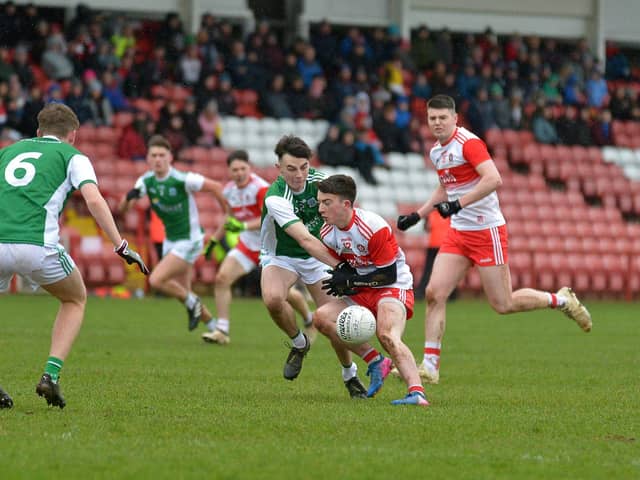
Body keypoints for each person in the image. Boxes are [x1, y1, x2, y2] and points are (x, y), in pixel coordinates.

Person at [396, 94, 592, 385]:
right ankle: (430, 366)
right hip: (459, 233)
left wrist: (458, 204)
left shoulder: (469, 143)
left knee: (503, 304)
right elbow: (445, 186)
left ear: (454, 118)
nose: (436, 123)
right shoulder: (437, 151)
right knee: (436, 292)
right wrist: (419, 214)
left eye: (442, 118)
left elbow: (493, 178)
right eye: (432, 118)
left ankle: (560, 299)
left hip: (486, 231)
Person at [0, 103, 148, 409]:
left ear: (38, 131)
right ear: (73, 136)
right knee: (75, 299)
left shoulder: (8, 151)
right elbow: (93, 199)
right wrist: (120, 245)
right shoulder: (74, 156)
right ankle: (50, 376)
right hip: (36, 246)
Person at [260, 135, 391, 399]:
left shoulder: (320, 183)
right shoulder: (275, 197)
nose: (299, 175)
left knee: (335, 319)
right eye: (291, 169)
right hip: (282, 256)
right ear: (278, 168)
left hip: (318, 257)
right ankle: (299, 343)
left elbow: (346, 214)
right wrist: (342, 267)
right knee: (273, 299)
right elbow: (305, 239)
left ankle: (349, 374)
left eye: (304, 167)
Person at [314, 174, 429, 406]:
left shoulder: (372, 227)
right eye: (319, 202)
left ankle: (417, 393)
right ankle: (376, 361)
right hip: (363, 288)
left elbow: (388, 275)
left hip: (392, 286)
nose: (321, 209)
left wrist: (352, 282)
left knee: (387, 334)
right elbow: (346, 270)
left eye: (326, 202)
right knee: (321, 318)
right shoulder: (327, 233)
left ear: (346, 204)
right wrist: (341, 279)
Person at [200, 150, 316, 345]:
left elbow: (270, 218)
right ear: (229, 171)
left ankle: (309, 319)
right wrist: (214, 239)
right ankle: (222, 330)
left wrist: (243, 226)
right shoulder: (228, 190)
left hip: (269, 247)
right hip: (247, 245)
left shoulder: (261, 188)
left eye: (242, 168)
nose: (239, 173)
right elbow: (230, 218)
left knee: (283, 294)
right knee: (222, 279)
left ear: (250, 168)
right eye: (235, 169)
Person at [119, 135, 228, 332]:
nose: (158, 159)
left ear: (170, 157)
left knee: (156, 280)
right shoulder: (146, 181)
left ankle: (194, 305)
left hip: (190, 240)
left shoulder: (182, 179)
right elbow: (124, 210)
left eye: (162, 155)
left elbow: (216, 187)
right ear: (148, 159)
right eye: (154, 155)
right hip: (171, 240)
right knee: (184, 293)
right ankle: (214, 327)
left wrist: (228, 214)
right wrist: (128, 199)